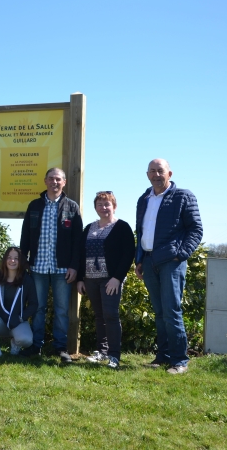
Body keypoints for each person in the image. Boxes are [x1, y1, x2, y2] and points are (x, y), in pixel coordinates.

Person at [135, 159, 202, 374]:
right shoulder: (144, 199)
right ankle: (163, 356)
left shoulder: (183, 196)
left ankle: (179, 361)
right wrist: (139, 260)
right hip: (149, 261)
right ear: (147, 175)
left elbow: (196, 229)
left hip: (171, 263)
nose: (156, 175)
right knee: (159, 312)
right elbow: (141, 231)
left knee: (172, 312)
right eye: (152, 171)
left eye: (160, 171)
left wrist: (180, 255)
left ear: (169, 173)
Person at [19, 167, 83, 363]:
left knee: (62, 309)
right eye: (51, 179)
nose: (54, 182)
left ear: (64, 182)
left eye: (58, 179)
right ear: (45, 181)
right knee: (38, 308)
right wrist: (23, 260)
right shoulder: (34, 205)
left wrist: (74, 266)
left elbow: (78, 241)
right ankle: (36, 345)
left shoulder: (71, 207)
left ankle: (60, 347)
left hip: (62, 269)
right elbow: (25, 235)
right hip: (37, 267)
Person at [76, 191, 135, 369]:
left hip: (110, 280)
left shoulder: (122, 227)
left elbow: (128, 254)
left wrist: (117, 278)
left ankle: (114, 355)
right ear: (95, 208)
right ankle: (102, 351)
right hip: (90, 280)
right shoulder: (89, 228)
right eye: (100, 205)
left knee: (110, 315)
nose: (103, 207)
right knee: (99, 316)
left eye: (107, 204)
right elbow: (80, 254)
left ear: (114, 206)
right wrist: (80, 278)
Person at [0, 247, 37, 357]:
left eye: (16, 258)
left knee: (27, 341)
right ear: (5, 260)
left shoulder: (27, 280)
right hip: (1, 321)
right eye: (9, 257)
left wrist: (21, 317)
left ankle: (15, 343)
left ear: (21, 261)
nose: (12, 261)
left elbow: (33, 304)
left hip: (18, 321)